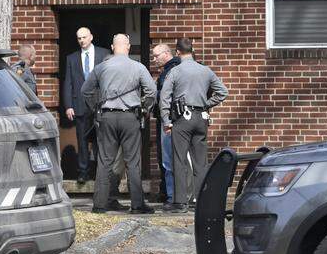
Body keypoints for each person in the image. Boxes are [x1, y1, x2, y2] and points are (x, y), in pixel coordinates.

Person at [82, 33, 157, 215]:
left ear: (113, 47)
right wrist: (145, 109)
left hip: (106, 116)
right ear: (129, 47)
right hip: (130, 117)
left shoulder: (102, 67)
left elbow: (86, 91)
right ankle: (137, 204)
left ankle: (99, 205)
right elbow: (152, 91)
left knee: (105, 161)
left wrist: (96, 108)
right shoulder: (138, 67)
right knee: (132, 162)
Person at [160, 38, 228, 213]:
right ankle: (201, 201)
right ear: (192, 50)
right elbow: (223, 92)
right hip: (201, 117)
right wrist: (206, 104)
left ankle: (180, 202)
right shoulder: (205, 70)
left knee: (179, 160)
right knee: (200, 162)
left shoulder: (175, 71)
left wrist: (166, 121)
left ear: (177, 52)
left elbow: (165, 97)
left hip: (182, 118)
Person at [61, 27, 110, 186]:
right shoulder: (72, 58)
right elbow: (68, 82)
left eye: (84, 37)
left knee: (100, 139)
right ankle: (83, 171)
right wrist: (68, 105)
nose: (81, 40)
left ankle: (100, 172)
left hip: (100, 104)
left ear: (91, 37)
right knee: (82, 140)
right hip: (80, 104)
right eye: (79, 38)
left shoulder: (104, 54)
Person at [151, 42, 181, 206]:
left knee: (168, 160)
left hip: (168, 120)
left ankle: (171, 196)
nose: (154, 59)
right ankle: (172, 194)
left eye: (156, 55)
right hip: (178, 119)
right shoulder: (176, 68)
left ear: (166, 53)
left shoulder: (169, 72)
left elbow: (164, 98)